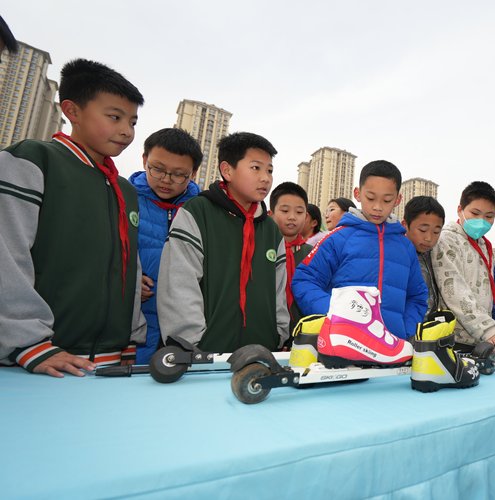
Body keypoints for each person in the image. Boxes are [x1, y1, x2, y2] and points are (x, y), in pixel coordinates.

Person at [0, 59, 146, 376]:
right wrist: (27, 342)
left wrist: (131, 337)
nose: (126, 130)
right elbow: (6, 253)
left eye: (133, 121)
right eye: (114, 116)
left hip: (111, 361)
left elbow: (129, 266)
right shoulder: (32, 160)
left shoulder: (125, 189)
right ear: (73, 111)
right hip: (37, 360)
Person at [157, 132, 289, 352]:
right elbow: (179, 284)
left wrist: (278, 336)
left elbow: (279, 293)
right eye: (256, 168)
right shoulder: (197, 213)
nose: (265, 178)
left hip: (262, 354)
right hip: (205, 355)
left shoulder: (271, 230)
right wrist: (192, 343)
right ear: (227, 170)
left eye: (269, 170)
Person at [292, 160, 427, 339]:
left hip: (393, 348)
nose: (378, 207)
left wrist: (405, 331)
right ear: (357, 193)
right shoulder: (337, 239)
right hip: (343, 344)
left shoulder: (405, 247)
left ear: (397, 200)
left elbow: (417, 296)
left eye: (387, 200)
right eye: (370, 198)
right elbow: (304, 280)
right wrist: (335, 314)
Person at [129, 128, 202, 364]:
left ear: (194, 173)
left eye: (179, 174)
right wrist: (127, 277)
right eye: (158, 169)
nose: (166, 180)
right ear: (144, 160)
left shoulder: (201, 211)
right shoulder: (123, 198)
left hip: (183, 325)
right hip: (131, 325)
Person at [432, 181, 495, 354]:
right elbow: (454, 291)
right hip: (453, 340)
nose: (481, 221)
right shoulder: (447, 240)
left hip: (479, 340)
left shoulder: (483, 244)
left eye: (489, 216)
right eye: (475, 213)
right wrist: (487, 328)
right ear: (460, 209)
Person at [269, 182, 313, 336]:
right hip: (267, 332)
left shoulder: (313, 254)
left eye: (299, 212)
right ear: (271, 214)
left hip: (304, 334)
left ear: (306, 217)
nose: (292, 217)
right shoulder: (261, 250)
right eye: (285, 210)